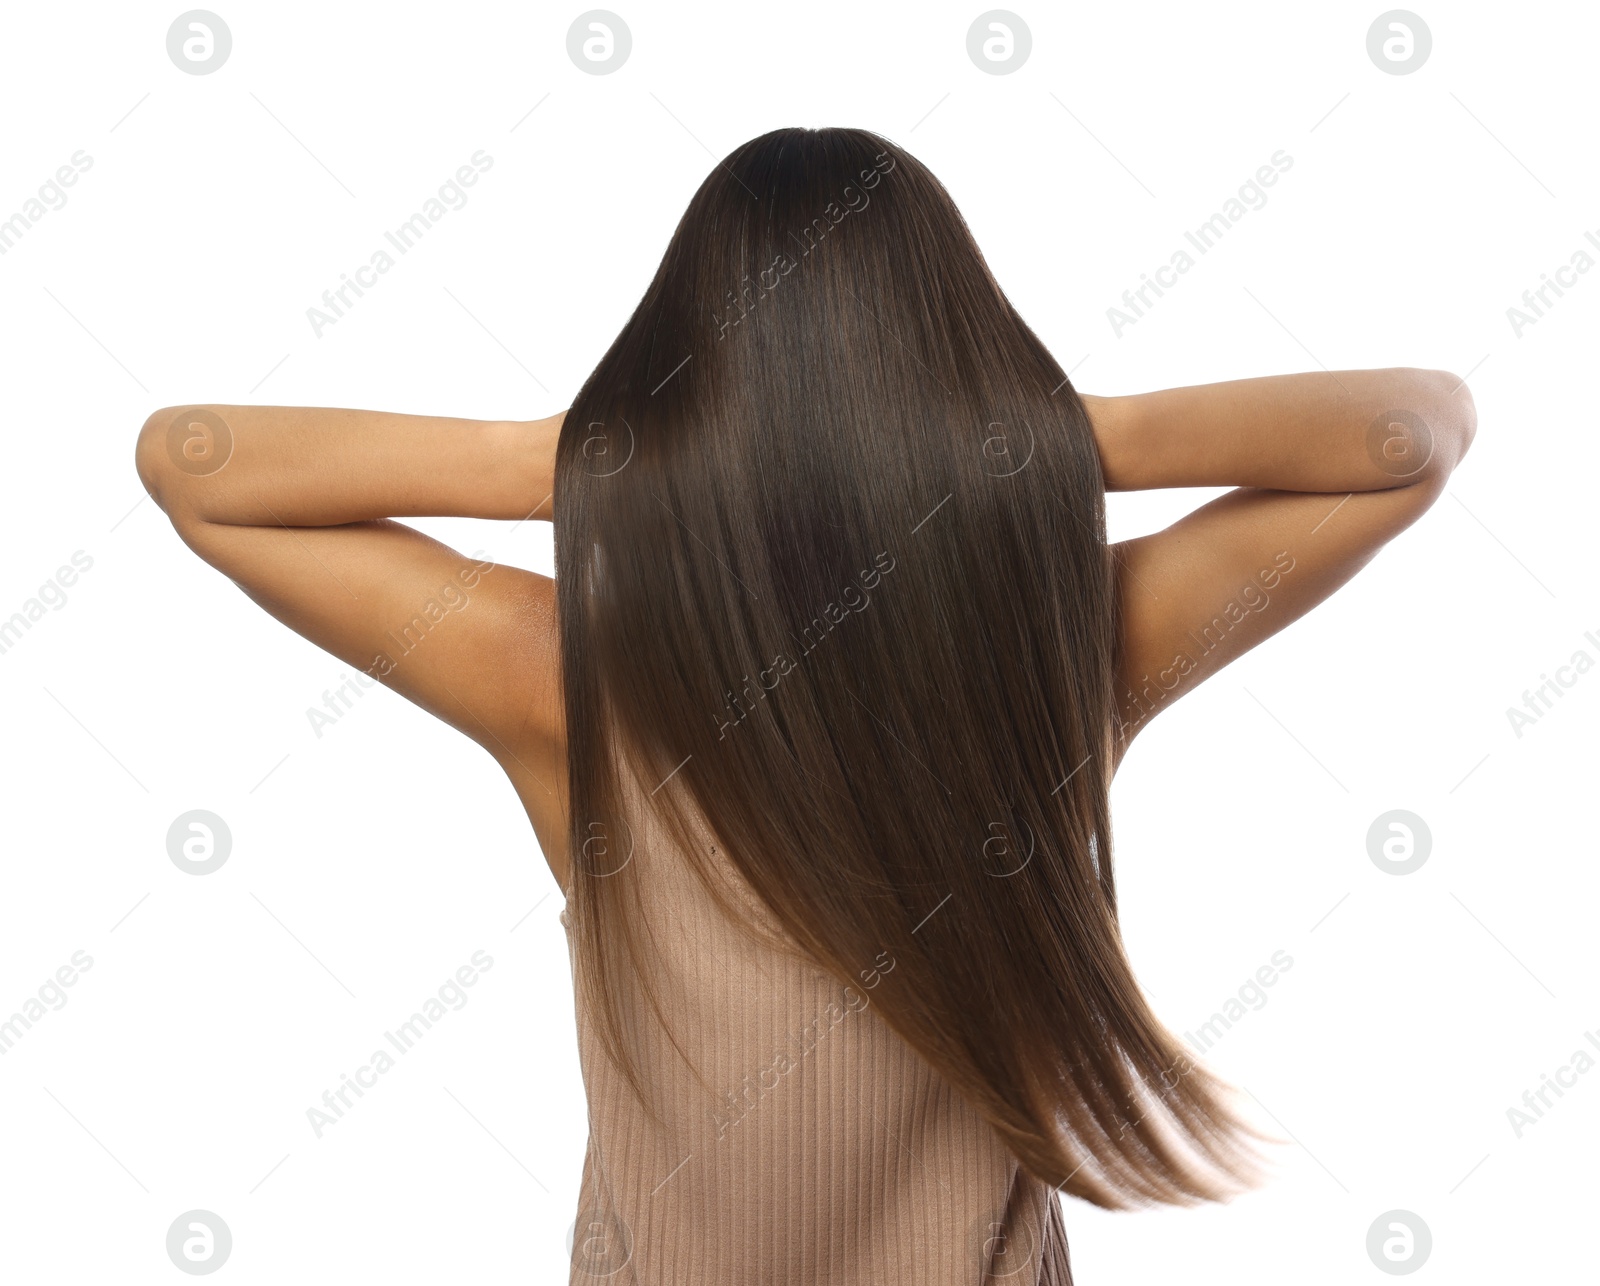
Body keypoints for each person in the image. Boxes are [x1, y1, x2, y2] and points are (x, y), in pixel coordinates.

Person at [134, 126, 1476, 1284]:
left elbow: (200, 468)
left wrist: (617, 445)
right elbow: (1410, 439)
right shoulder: (1061, 666)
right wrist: (1031, 432)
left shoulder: (564, 679)